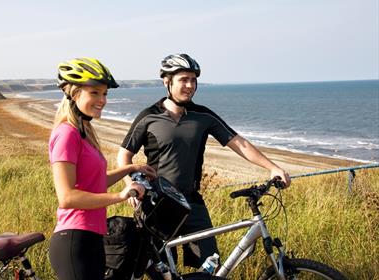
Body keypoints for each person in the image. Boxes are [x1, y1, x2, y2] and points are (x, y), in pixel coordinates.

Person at [117, 53, 291, 268]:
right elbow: (124, 155)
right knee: (160, 270)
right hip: (156, 204)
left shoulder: (203, 116)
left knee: (210, 266)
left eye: (193, 80)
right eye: (183, 80)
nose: (190, 85)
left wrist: (273, 167)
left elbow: (239, 143)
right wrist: (131, 184)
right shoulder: (148, 116)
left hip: (192, 203)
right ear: (167, 81)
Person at [48, 57, 155, 280]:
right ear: (73, 94)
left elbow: (95, 182)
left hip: (92, 237)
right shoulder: (66, 134)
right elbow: (67, 197)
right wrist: (120, 196)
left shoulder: (83, 133)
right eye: (94, 93)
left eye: (105, 93)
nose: (102, 100)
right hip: (75, 239)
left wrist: (131, 168)